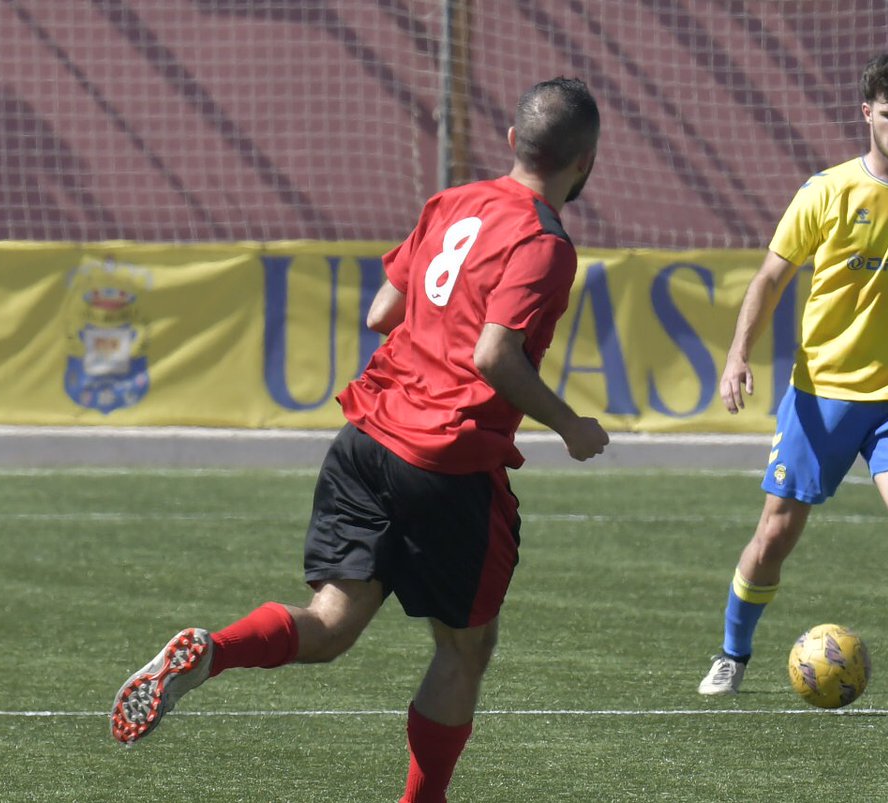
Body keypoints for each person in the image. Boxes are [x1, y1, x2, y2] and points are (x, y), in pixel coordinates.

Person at [110, 77, 608, 802]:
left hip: (367, 436)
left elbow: (383, 310)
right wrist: (571, 425)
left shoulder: (453, 202)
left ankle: (210, 653)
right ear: (585, 160)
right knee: (465, 645)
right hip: (446, 461)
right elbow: (494, 356)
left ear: (512, 141)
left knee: (331, 624)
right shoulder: (544, 241)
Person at [697, 52, 888, 701]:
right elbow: (770, 277)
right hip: (823, 395)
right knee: (775, 534)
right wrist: (738, 354)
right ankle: (732, 652)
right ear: (866, 113)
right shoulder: (826, 191)